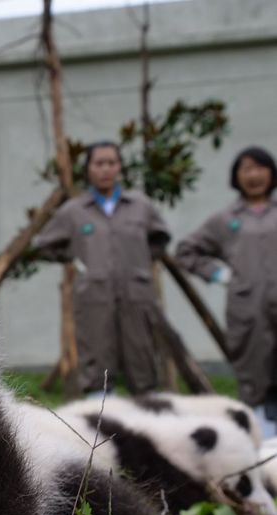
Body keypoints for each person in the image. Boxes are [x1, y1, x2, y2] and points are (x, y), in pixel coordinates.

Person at [33, 140, 171, 396]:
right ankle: (101, 423)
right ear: (88, 169)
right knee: (96, 359)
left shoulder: (140, 205)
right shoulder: (74, 211)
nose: (106, 169)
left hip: (137, 296)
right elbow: (44, 244)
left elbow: (160, 238)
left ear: (120, 167)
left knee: (142, 358)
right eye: (99, 163)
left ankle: (147, 418)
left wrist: (137, 261)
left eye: (111, 163)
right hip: (94, 297)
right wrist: (73, 258)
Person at [175, 145, 277, 438]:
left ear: (271, 172)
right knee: (255, 376)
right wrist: (220, 274)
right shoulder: (225, 219)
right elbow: (187, 251)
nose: (254, 175)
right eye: (246, 169)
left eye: (260, 167)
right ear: (236, 176)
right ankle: (263, 439)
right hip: (248, 313)